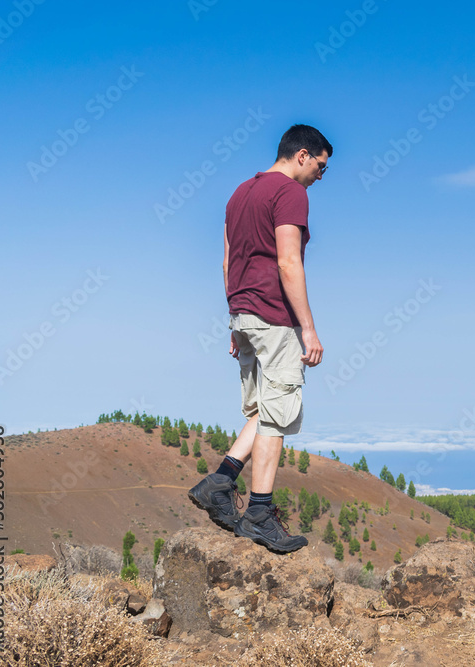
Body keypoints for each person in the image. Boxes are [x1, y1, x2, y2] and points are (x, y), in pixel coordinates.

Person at [189, 124, 332, 553]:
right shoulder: (290, 192)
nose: (320, 177)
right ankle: (259, 512)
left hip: (243, 311)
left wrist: (235, 317)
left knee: (268, 405)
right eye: (321, 167)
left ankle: (220, 481)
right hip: (273, 314)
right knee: (279, 414)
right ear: (302, 155)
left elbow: (228, 262)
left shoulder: (239, 194)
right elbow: (289, 262)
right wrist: (307, 326)